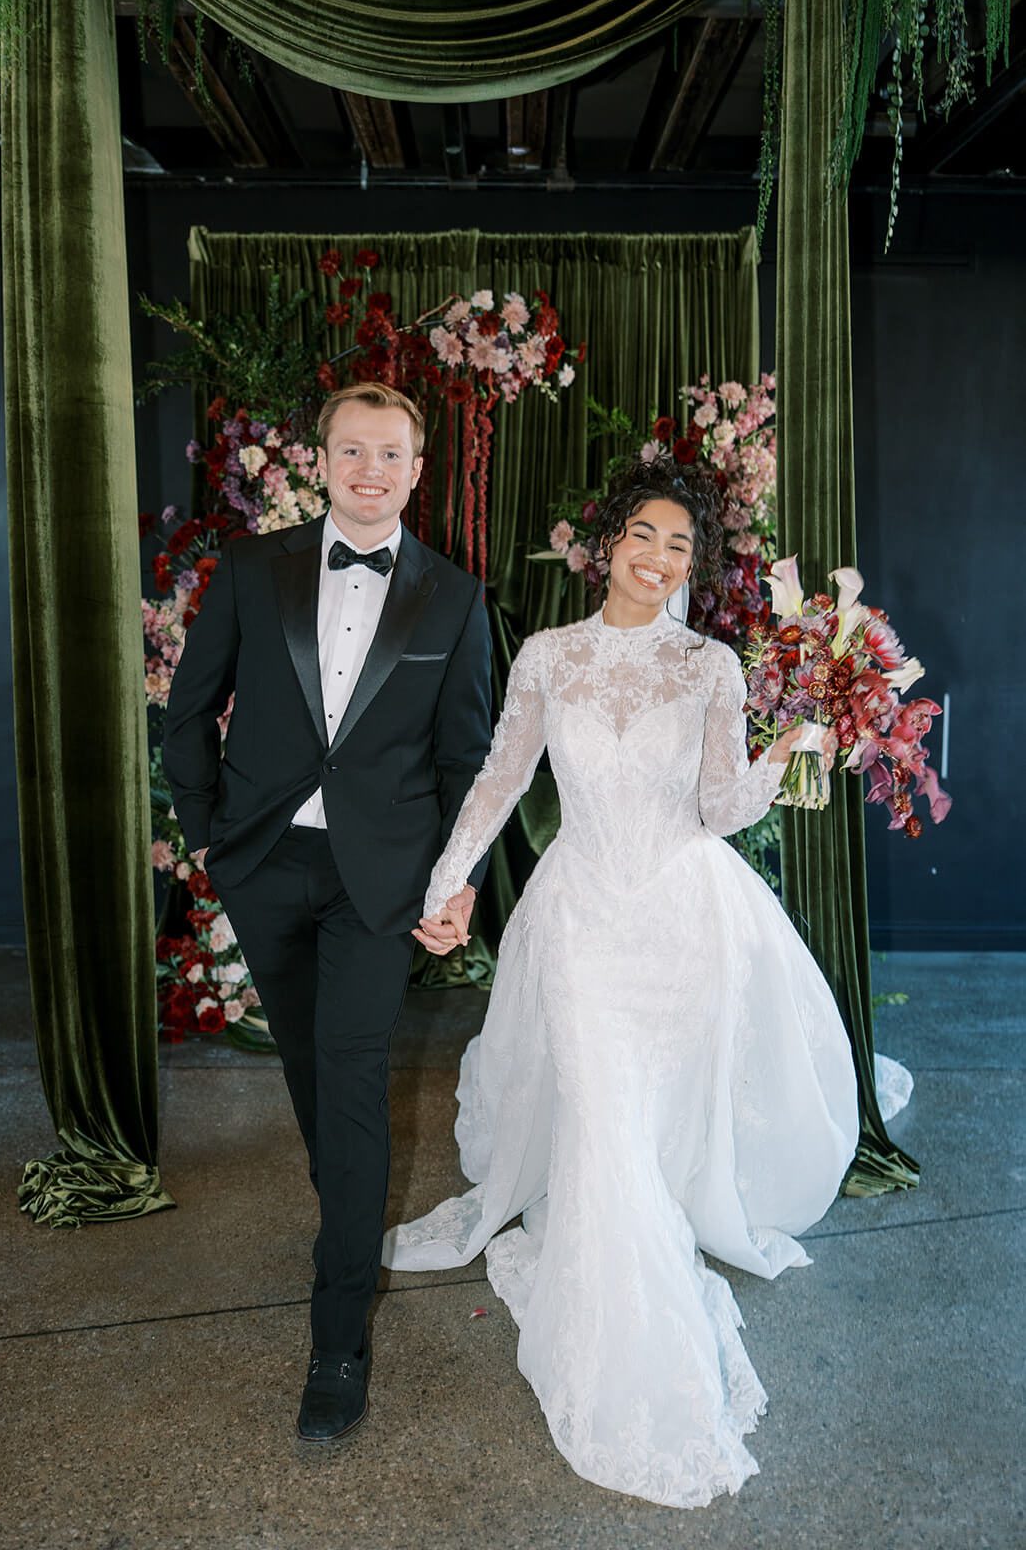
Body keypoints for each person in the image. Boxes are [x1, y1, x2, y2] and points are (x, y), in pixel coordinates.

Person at [383, 458, 860, 1508]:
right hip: (583, 920)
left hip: (681, 918)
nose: (656, 557)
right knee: (598, 1119)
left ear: (694, 564)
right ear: (605, 543)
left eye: (678, 544)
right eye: (641, 535)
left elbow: (722, 806)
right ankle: (620, 1348)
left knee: (643, 1123)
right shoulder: (549, 658)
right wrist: (446, 878)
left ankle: (653, 1245)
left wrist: (791, 745)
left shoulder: (711, 666)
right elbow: (501, 776)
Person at [163, 383, 492, 1443]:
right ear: (322, 461)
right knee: (308, 1067)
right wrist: (209, 835)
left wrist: (453, 884)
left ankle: (337, 1338)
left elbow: (466, 763)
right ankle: (346, 1204)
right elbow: (187, 710)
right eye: (350, 451)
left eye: (387, 454)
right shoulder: (254, 569)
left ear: (415, 467)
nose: (367, 470)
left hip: (378, 884)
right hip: (261, 862)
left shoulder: (454, 597)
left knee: (350, 1080)